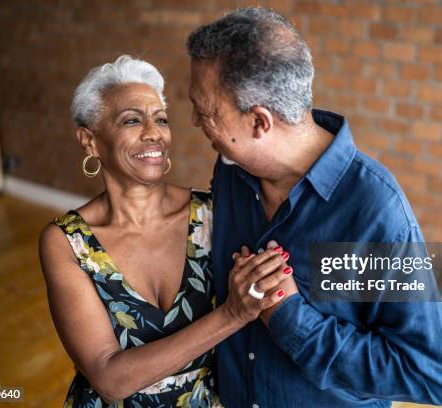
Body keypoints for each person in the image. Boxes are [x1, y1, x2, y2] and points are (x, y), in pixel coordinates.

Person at [186, 7, 442, 408]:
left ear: (260, 123)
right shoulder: (232, 171)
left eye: (207, 112)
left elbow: (427, 375)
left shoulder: (376, 214)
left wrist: (289, 316)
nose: (195, 120)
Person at [38, 55, 297, 408]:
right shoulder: (68, 243)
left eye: (161, 119)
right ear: (90, 141)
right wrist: (232, 314)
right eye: (132, 120)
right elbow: (109, 378)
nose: (154, 133)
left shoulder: (211, 212)